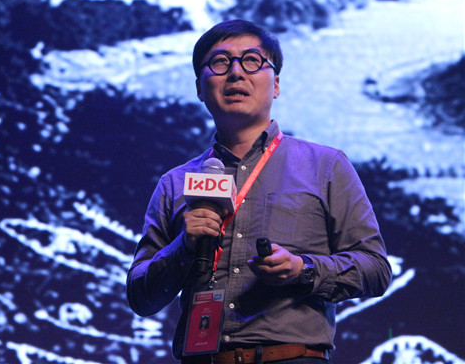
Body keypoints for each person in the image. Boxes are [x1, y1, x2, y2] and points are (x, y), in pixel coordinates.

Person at [126, 19, 392, 363]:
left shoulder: (326, 166)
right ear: (199, 88)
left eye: (252, 61)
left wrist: (302, 269)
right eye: (220, 62)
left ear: (276, 84)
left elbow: (375, 269)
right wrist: (183, 246)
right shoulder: (175, 182)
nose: (236, 73)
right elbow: (140, 296)